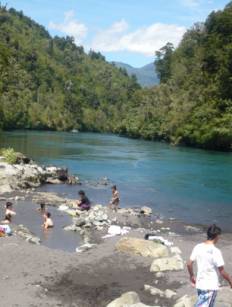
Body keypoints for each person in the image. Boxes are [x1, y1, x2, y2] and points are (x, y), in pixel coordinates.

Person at [187, 224, 232, 307]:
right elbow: (222, 271)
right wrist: (230, 280)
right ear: (217, 236)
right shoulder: (215, 251)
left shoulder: (198, 247)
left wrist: (191, 276)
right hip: (210, 286)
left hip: (200, 284)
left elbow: (189, 263)